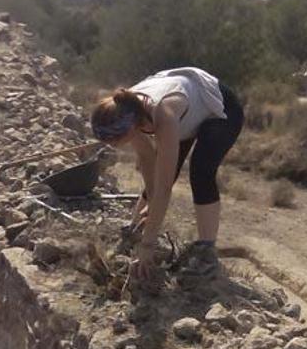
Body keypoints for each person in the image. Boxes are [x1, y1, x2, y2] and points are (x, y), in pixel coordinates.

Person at [90, 67, 244, 283]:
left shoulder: (162, 114)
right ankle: (132, 229)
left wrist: (148, 245)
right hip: (187, 109)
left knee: (201, 171)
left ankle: (207, 255)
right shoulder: (126, 108)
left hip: (220, 109)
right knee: (162, 175)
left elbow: (163, 189)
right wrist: (149, 206)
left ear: (131, 128)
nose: (113, 146)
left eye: (115, 141)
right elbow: (147, 159)